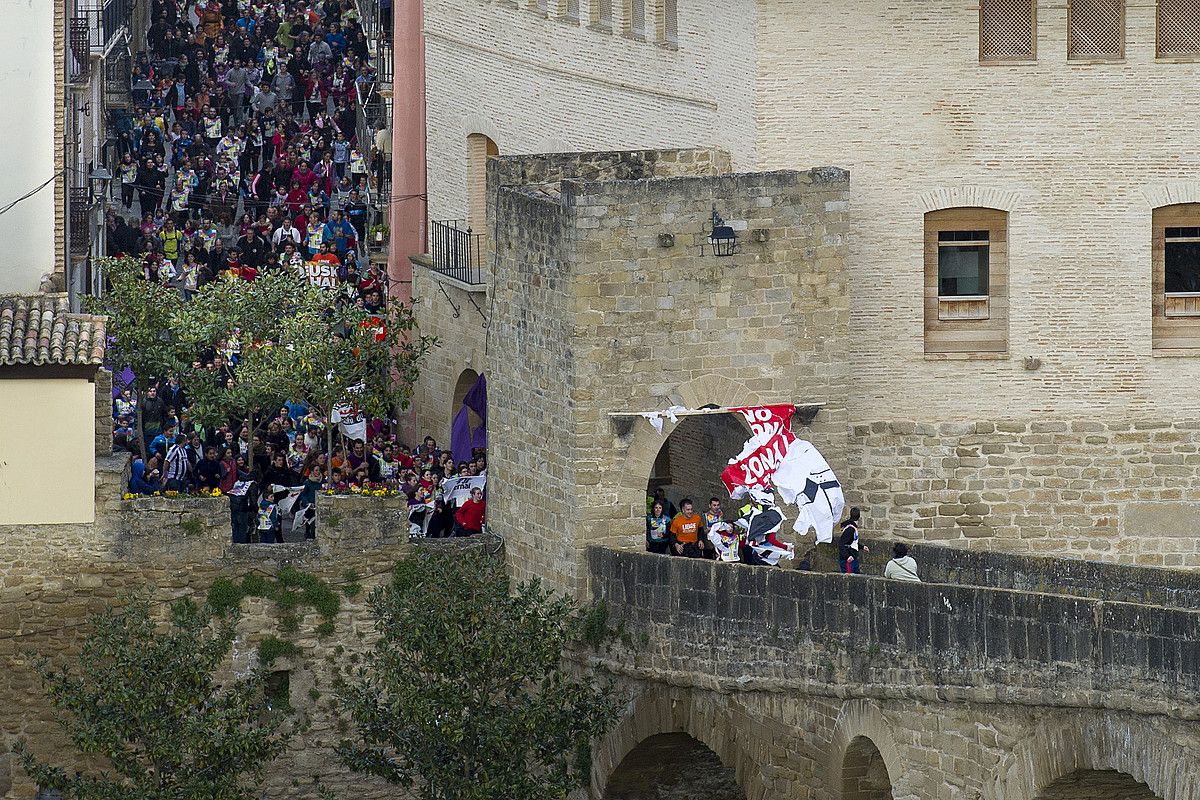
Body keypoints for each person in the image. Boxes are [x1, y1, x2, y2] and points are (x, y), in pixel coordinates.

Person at [838, 507, 868, 574]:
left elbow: (853, 542)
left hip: (853, 558)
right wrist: (847, 556)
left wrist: (862, 547)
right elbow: (841, 543)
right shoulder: (850, 529)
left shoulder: (852, 527)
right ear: (859, 517)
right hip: (848, 559)